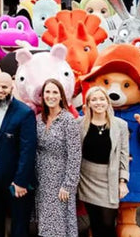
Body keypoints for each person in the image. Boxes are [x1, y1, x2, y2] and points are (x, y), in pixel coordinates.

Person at [0, 72, 37, 237]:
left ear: (11, 88)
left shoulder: (25, 112)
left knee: (18, 227)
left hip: (15, 181)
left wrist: (20, 181)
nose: (0, 90)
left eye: (4, 87)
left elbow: (28, 150)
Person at [76, 87, 129, 237]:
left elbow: (124, 154)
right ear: (88, 104)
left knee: (107, 222)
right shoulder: (79, 124)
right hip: (87, 177)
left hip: (109, 177)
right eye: (94, 100)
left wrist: (122, 181)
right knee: (95, 221)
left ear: (107, 102)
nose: (98, 103)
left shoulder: (120, 125)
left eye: (101, 99)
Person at [35, 79, 81, 237]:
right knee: (45, 224)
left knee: (59, 224)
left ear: (61, 96)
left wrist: (68, 185)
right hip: (42, 180)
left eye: (55, 92)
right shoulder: (38, 120)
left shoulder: (68, 121)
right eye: (47, 92)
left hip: (60, 181)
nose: (51, 96)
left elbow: (75, 155)